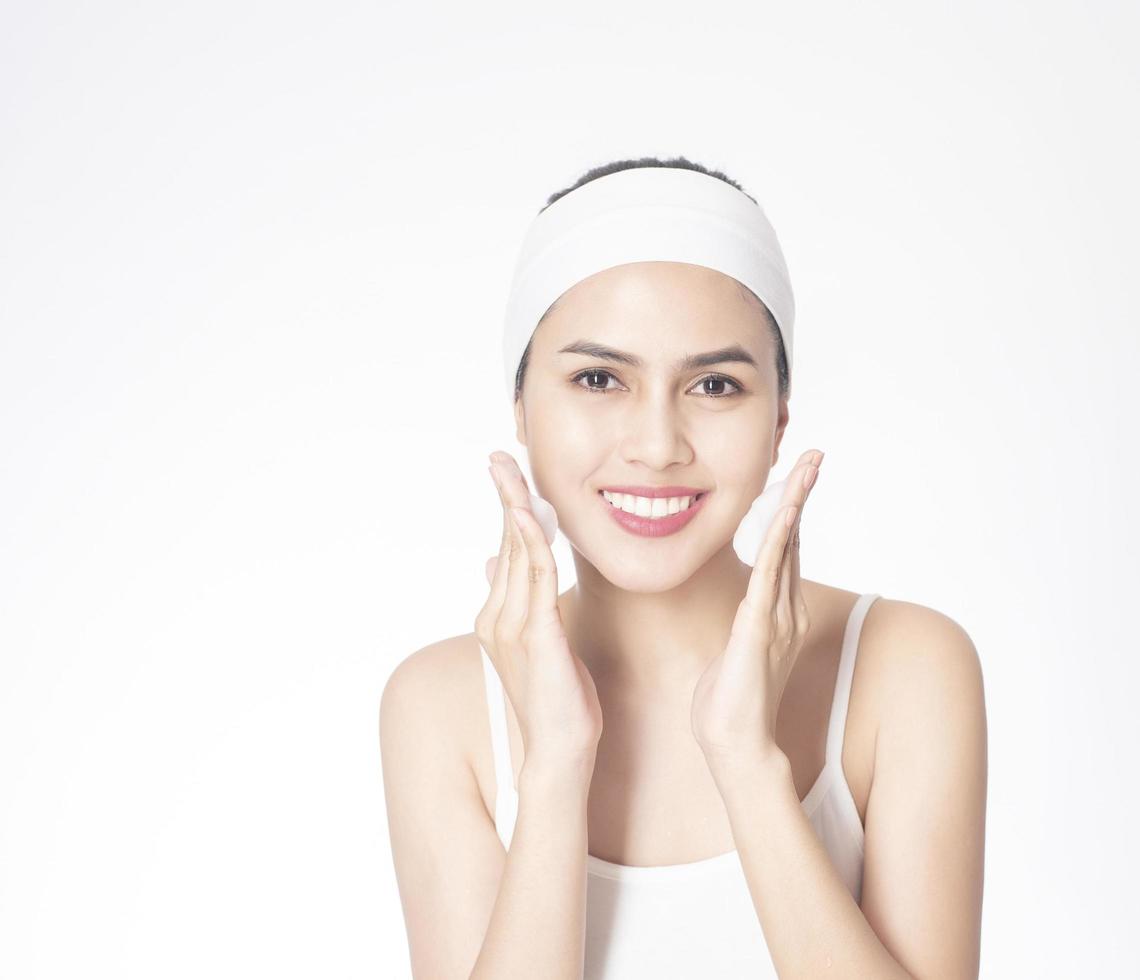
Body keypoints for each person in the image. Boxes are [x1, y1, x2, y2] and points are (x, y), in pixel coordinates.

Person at [380, 156, 987, 979]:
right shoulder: (443, 707)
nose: (657, 445)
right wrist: (554, 766)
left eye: (713, 384)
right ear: (520, 407)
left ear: (778, 418)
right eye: (598, 378)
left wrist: (747, 764)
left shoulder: (903, 667)